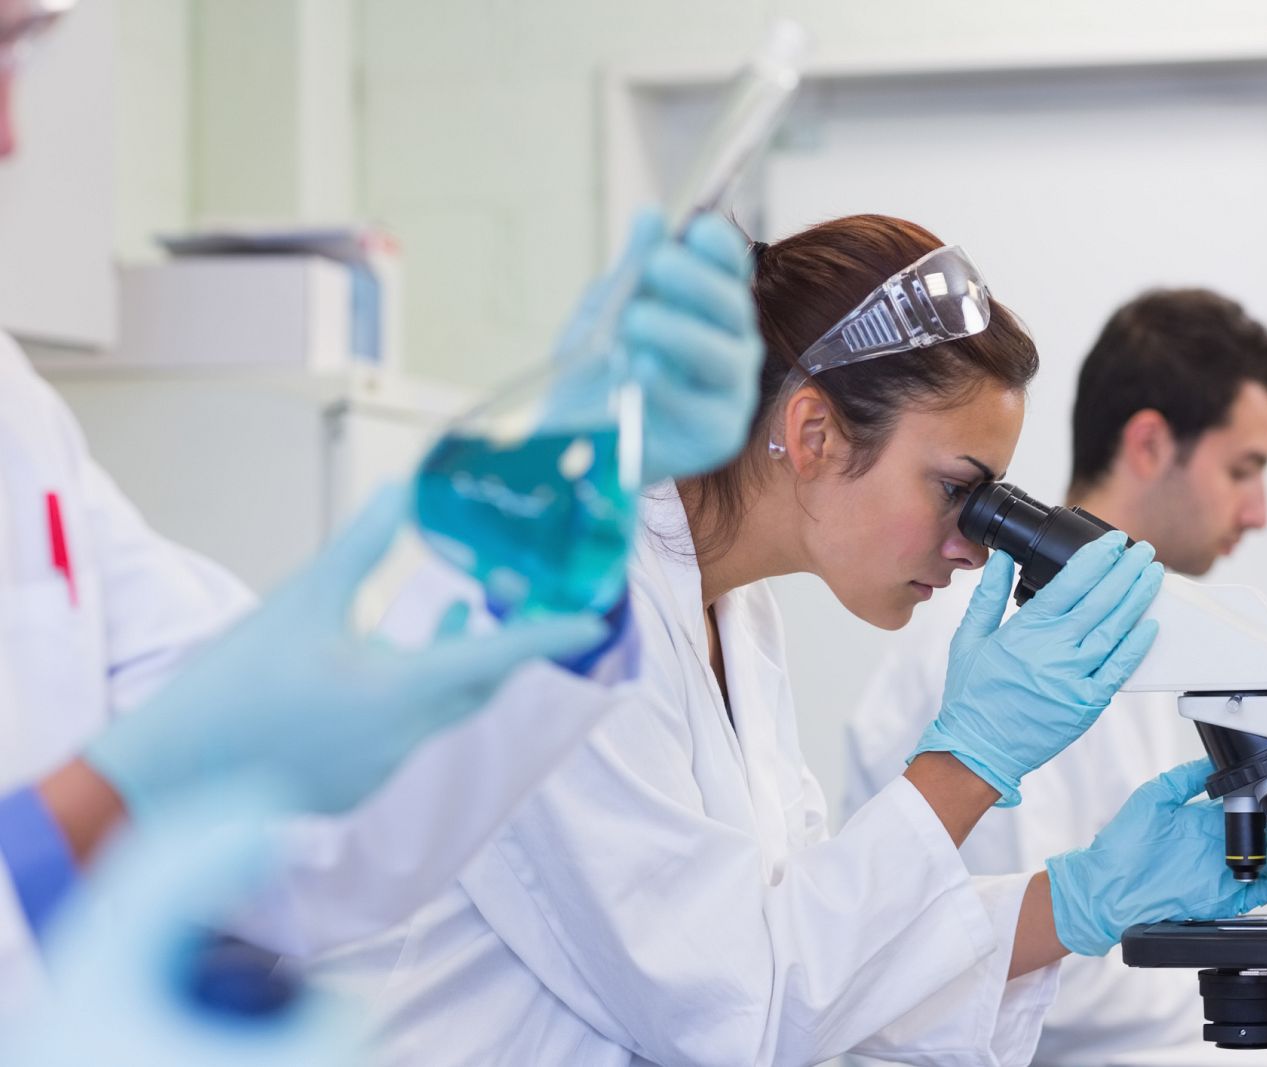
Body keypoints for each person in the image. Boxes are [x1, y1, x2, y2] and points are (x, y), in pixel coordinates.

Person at [301, 217, 1267, 1066]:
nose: (974, 545)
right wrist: (969, 760)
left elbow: (834, 970)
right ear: (810, 434)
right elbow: (740, 1009)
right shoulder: (562, 611)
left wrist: (1081, 899)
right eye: (958, 492)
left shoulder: (737, 611)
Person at [0, 0, 767, 1011]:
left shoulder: (21, 416)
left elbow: (315, 851)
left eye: (16, 54)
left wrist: (556, 510)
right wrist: (102, 801)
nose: (12, 134)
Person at [844, 287, 1267, 1065]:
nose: (1259, 510)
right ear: (1152, 444)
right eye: (1244, 468)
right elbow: (1018, 966)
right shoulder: (997, 659)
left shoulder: (1154, 635)